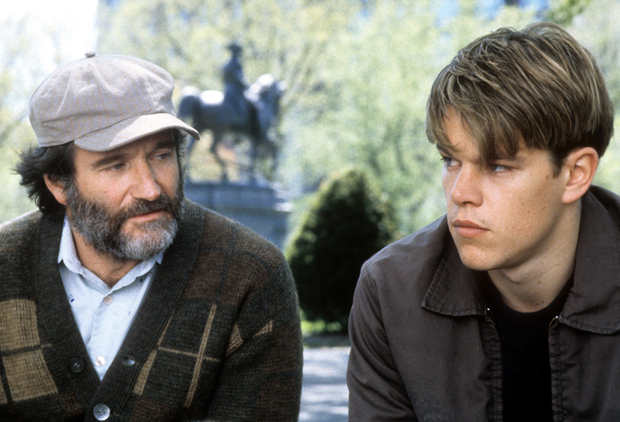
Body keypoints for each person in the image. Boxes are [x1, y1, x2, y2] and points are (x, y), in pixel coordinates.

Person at [0, 53, 302, 421]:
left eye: (161, 155)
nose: (150, 188)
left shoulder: (252, 276)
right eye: (116, 164)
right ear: (59, 184)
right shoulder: (5, 266)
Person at [347, 22, 617, 421]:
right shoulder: (390, 292)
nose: (460, 192)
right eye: (450, 160)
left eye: (498, 165)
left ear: (576, 174)